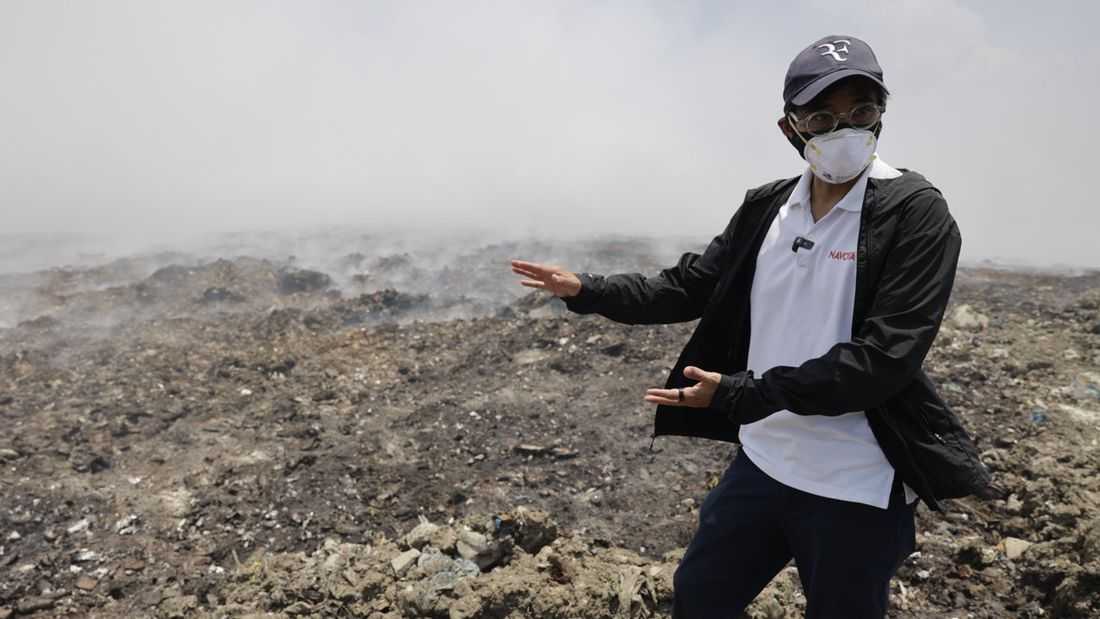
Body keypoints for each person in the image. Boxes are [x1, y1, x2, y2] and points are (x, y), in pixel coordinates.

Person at [510, 34, 994, 618]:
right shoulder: (769, 207)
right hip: (764, 462)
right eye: (822, 116)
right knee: (700, 598)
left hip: (855, 483)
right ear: (791, 127)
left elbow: (885, 359)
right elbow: (689, 286)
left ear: (881, 116)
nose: (845, 130)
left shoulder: (914, 212)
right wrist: (588, 290)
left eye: (861, 112)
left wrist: (743, 393)